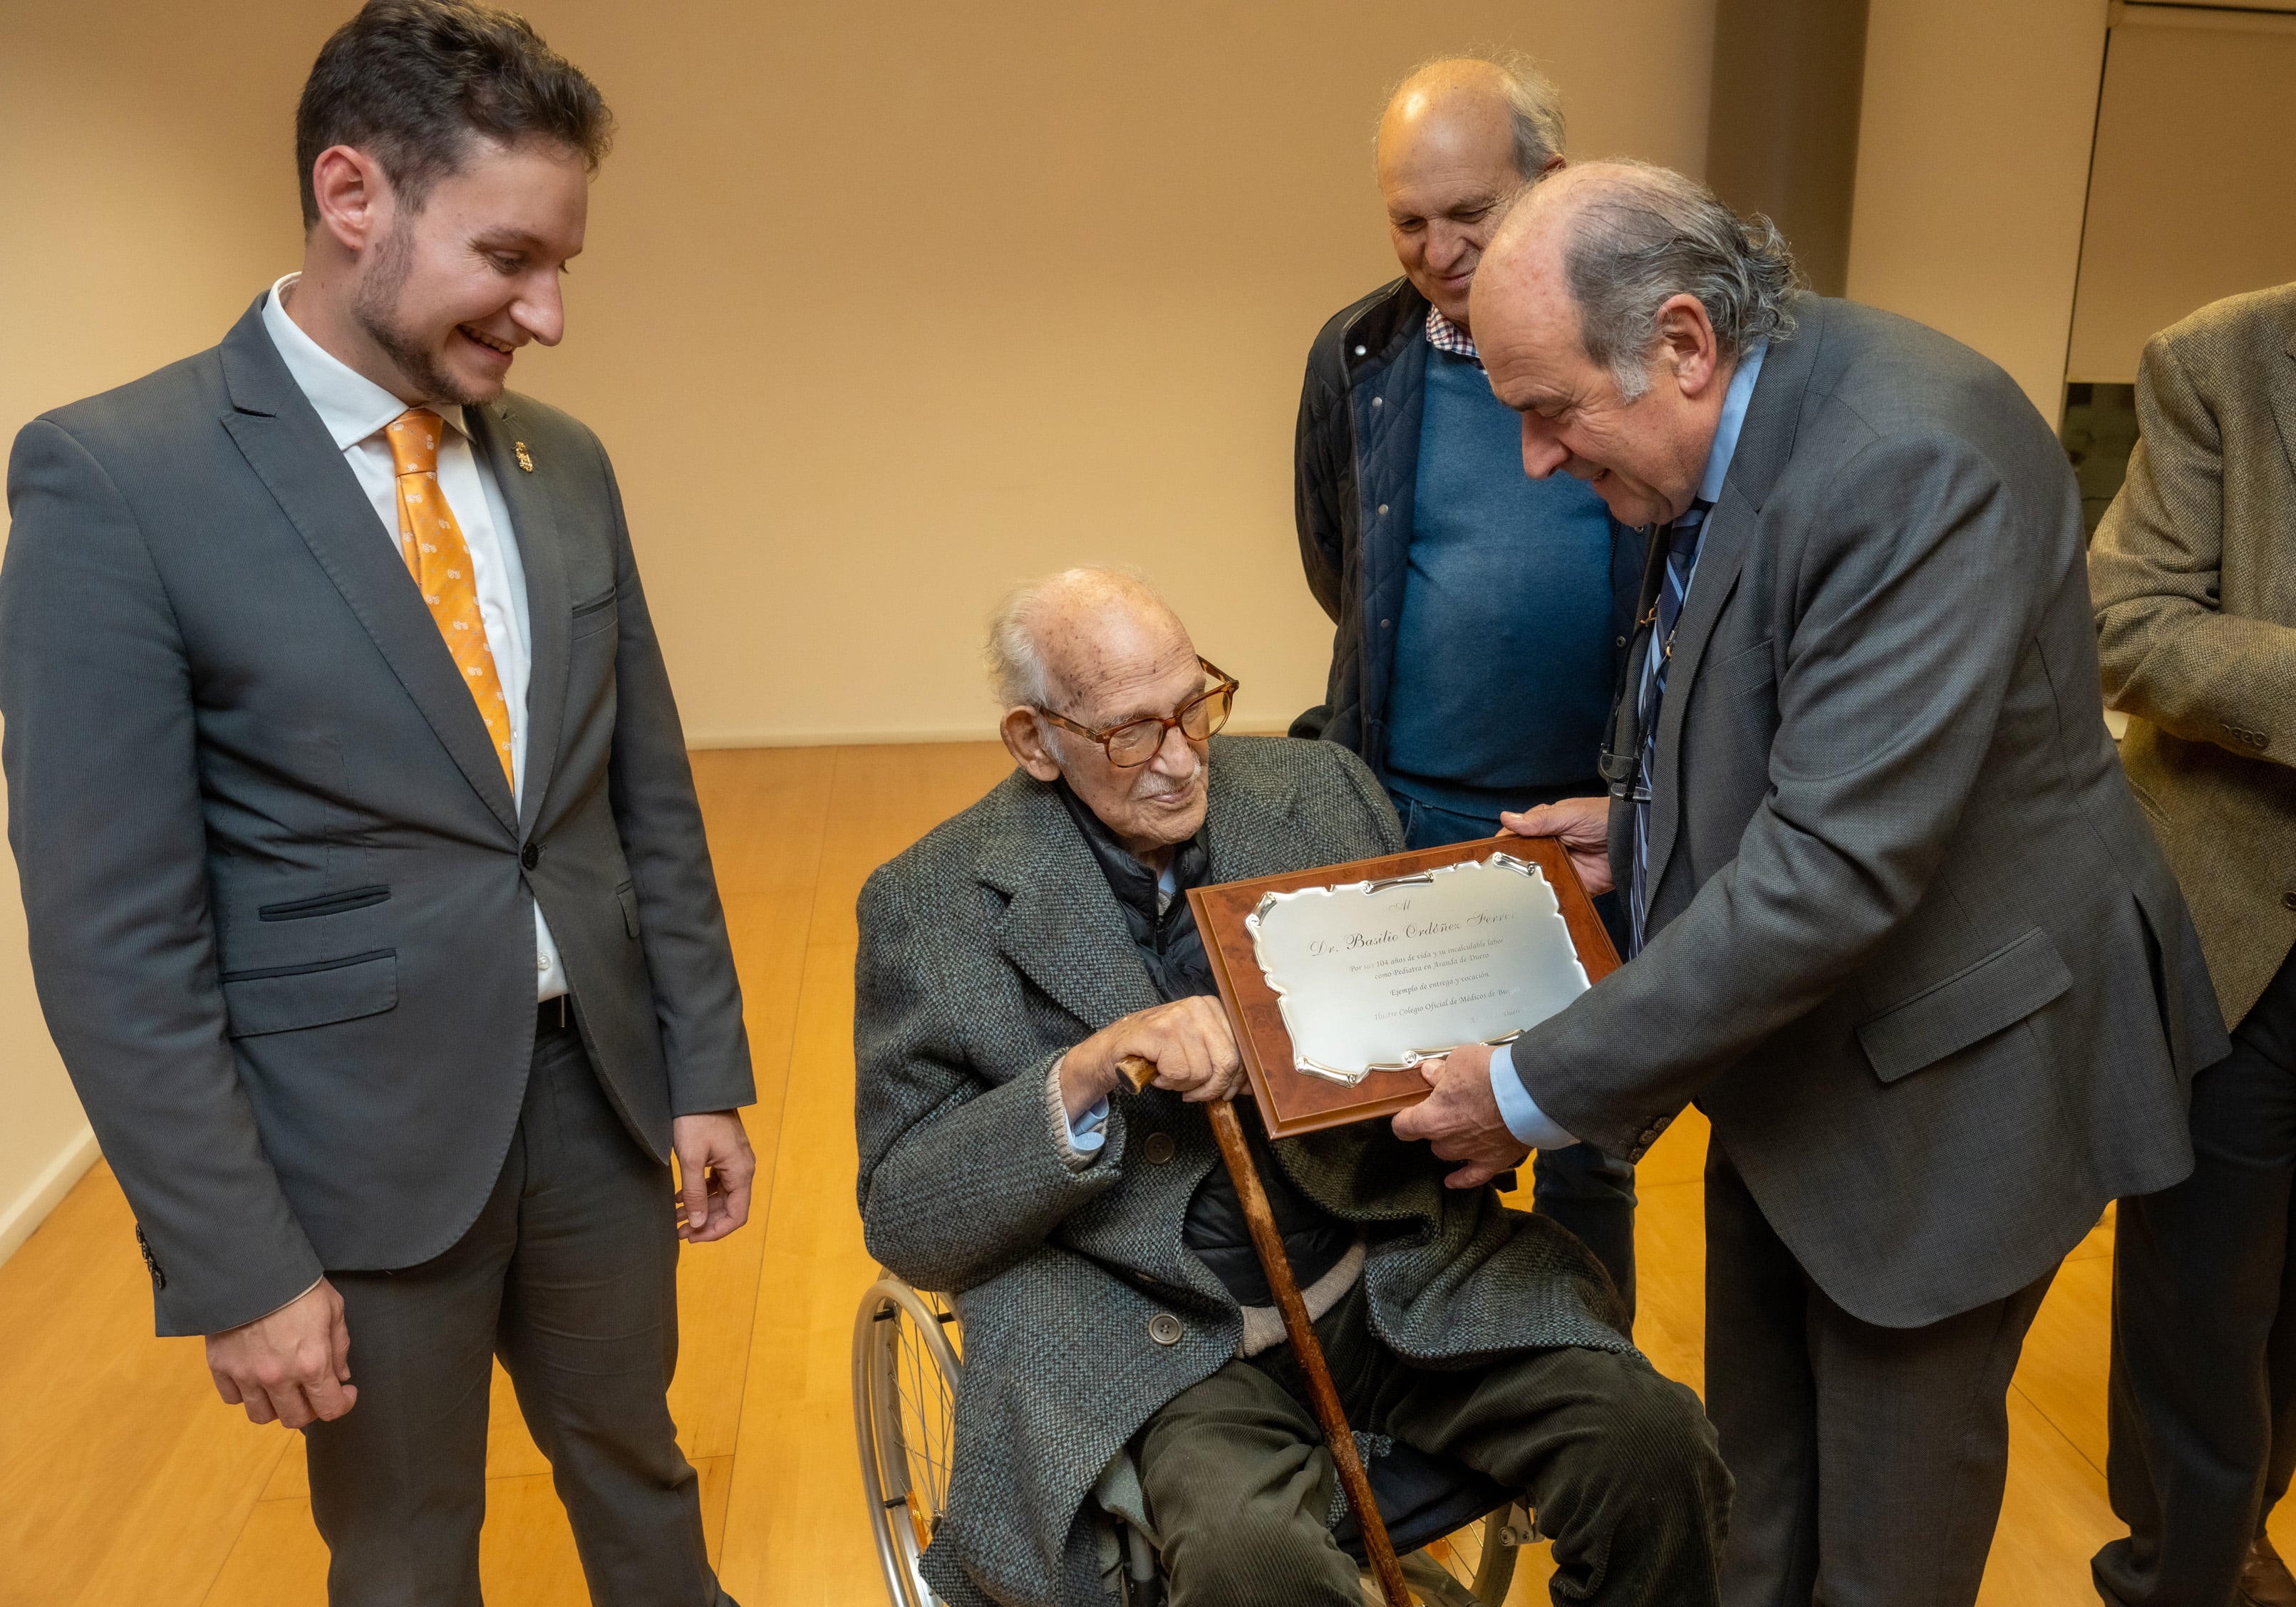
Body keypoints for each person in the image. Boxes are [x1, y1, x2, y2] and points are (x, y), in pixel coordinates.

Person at [1390, 160, 2225, 1606]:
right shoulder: (1727, 426)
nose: (1532, 457)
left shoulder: (1910, 457)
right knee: (1759, 1500)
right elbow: (1764, 711)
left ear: (1683, 343)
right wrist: (1639, 829)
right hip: (1805, 1062)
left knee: (1882, 1552)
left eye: (1548, 411)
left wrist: (1525, 1089)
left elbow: (1833, 868)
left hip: (1964, 1080)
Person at [0, 4, 753, 1602]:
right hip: (357, 1152)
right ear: (355, 197)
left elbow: (644, 796)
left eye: (565, 266)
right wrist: (237, 1262)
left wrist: (701, 1068)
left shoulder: (567, 464)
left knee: (644, 1467)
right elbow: (110, 933)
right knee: (408, 1552)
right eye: (510, 258)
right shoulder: (116, 480)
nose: (548, 315)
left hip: (602, 1109)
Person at [853, 567, 1727, 1607]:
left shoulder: (1317, 792)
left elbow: (1429, 1012)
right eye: (1132, 733)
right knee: (1249, 1561)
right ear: (1034, 741)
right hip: (1158, 1339)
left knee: (1652, 1445)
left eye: (1194, 706)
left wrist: (1499, 936)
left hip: (1389, 1268)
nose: (1181, 761)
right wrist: (1084, 1075)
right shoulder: (930, 902)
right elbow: (907, 1214)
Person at [1290, 51, 1645, 1313]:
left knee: (1587, 1140)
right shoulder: (1358, 356)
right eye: (1407, 219)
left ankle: (1585, 1415)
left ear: (1550, 182)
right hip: (1413, 818)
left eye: (1468, 215)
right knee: (1415, 1136)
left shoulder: (1640, 348)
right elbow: (1343, 569)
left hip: (1596, 830)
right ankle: (1442, 1390)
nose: (1436, 249)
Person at [2088, 283, 2296, 1607]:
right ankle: (2181, 1567)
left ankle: (2241, 1525)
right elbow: (2129, 623)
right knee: (2202, 1290)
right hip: (2241, 923)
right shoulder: (2216, 364)